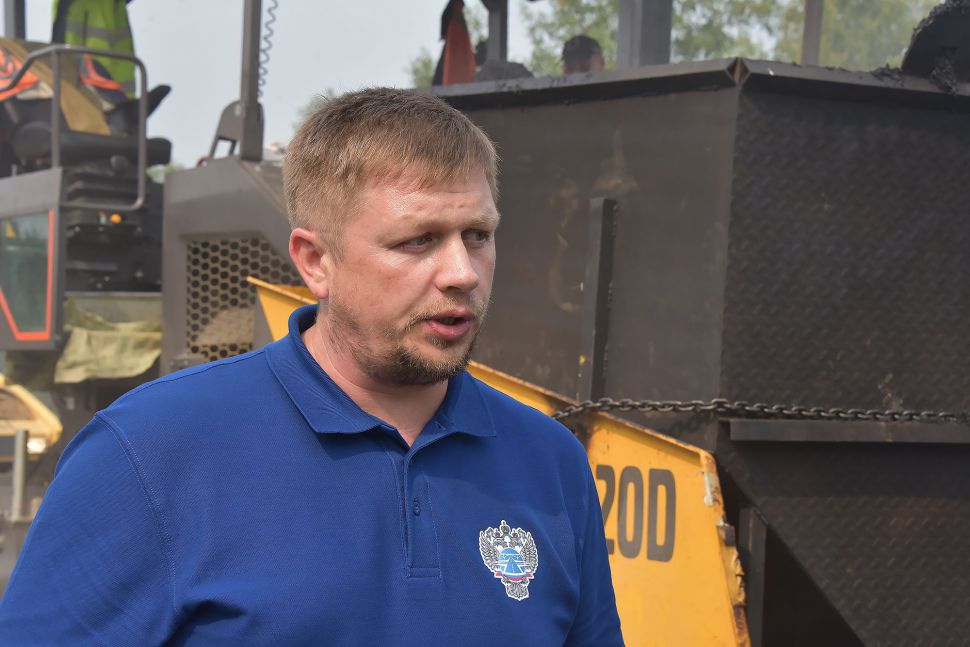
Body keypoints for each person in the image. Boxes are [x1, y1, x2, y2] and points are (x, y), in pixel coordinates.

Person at [0, 88, 623, 646]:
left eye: (478, 235)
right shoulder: (149, 453)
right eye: (418, 240)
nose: (462, 272)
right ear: (315, 261)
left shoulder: (550, 462)